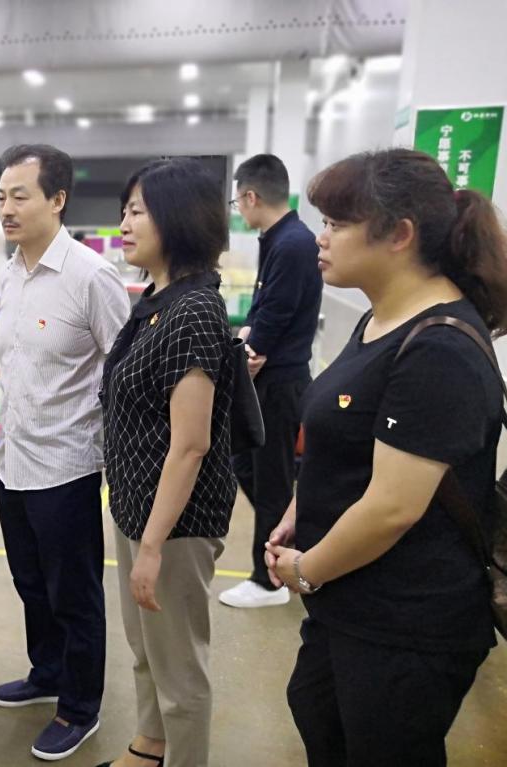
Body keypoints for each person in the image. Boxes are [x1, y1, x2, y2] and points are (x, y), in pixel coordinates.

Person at [265, 148, 507, 766]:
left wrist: (306, 570)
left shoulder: (438, 350)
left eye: (337, 223)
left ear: (399, 234)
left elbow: (393, 507)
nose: (321, 238)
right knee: (318, 714)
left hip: (404, 623)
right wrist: (299, 509)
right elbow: (346, 440)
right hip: (351, 601)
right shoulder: (381, 318)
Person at [0, 144, 129, 761]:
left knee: (74, 594)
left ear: (58, 200)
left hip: (67, 467)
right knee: (30, 583)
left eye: (20, 196)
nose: (6, 208)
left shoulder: (90, 276)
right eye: (1, 196)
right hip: (12, 460)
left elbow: (124, 371)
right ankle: (46, 674)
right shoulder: (10, 271)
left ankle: (79, 706)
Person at [99, 158, 237, 767]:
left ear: (177, 218)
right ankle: (149, 746)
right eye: (125, 210)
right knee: (146, 647)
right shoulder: (157, 299)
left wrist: (153, 545)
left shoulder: (193, 311)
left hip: (174, 523)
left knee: (179, 669)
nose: (124, 224)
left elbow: (190, 445)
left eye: (138, 211)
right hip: (138, 506)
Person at [219, 154, 322, 609]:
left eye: (238, 202)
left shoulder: (294, 243)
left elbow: (275, 316)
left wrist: (250, 353)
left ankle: (269, 580)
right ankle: (285, 549)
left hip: (280, 383)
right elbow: (262, 310)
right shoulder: (279, 239)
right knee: (245, 465)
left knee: (273, 480)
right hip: (267, 381)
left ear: (251, 196)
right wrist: (245, 338)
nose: (239, 209)